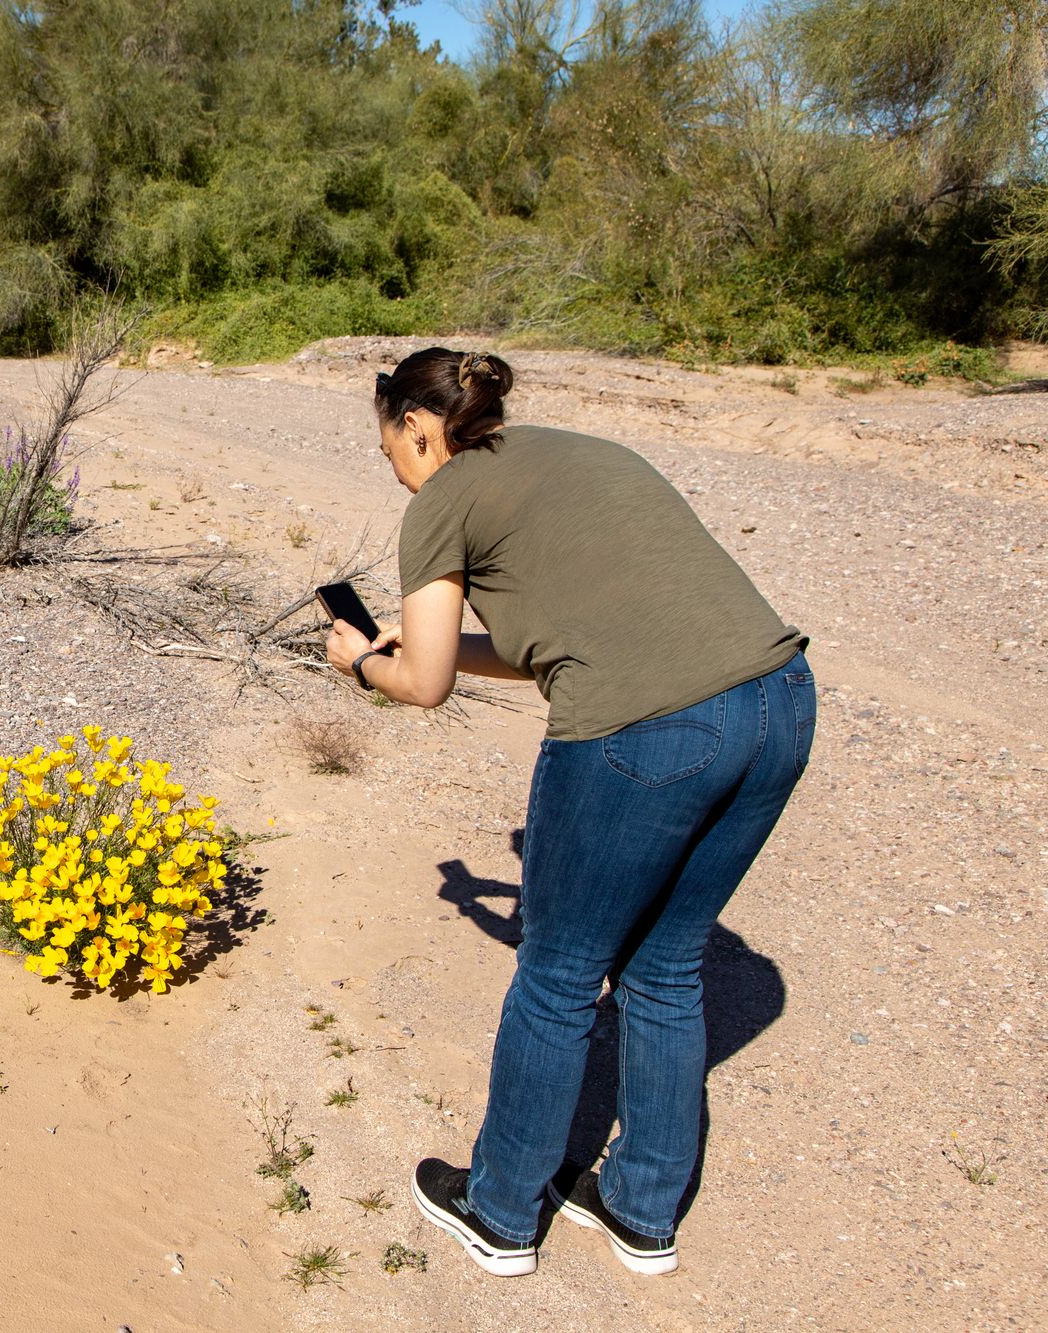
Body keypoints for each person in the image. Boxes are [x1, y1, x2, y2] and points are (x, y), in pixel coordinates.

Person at [325, 347, 813, 1278]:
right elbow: (553, 644)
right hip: (779, 702)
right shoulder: (579, 452)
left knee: (557, 972)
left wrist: (358, 660)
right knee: (664, 968)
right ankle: (641, 1209)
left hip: (648, 732)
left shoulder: (442, 499)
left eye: (391, 447)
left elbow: (420, 686)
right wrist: (433, 647)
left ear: (420, 429)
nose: (392, 466)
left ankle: (503, 1207)